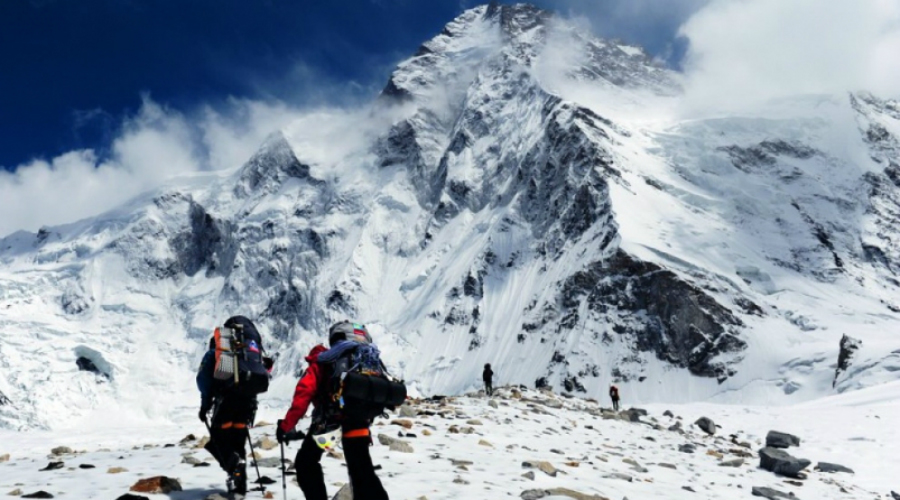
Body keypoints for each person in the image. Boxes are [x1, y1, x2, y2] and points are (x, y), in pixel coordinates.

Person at [276, 321, 390, 500]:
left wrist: (285, 426)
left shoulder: (322, 360)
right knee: (362, 471)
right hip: (360, 422)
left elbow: (302, 397)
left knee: (306, 462)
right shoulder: (365, 359)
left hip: (330, 425)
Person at [197, 315, 269, 495]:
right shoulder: (251, 352)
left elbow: (203, 381)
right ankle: (240, 486)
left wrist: (205, 406)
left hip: (227, 400)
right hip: (248, 402)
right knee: (238, 440)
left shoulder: (216, 353)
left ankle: (233, 467)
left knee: (219, 437)